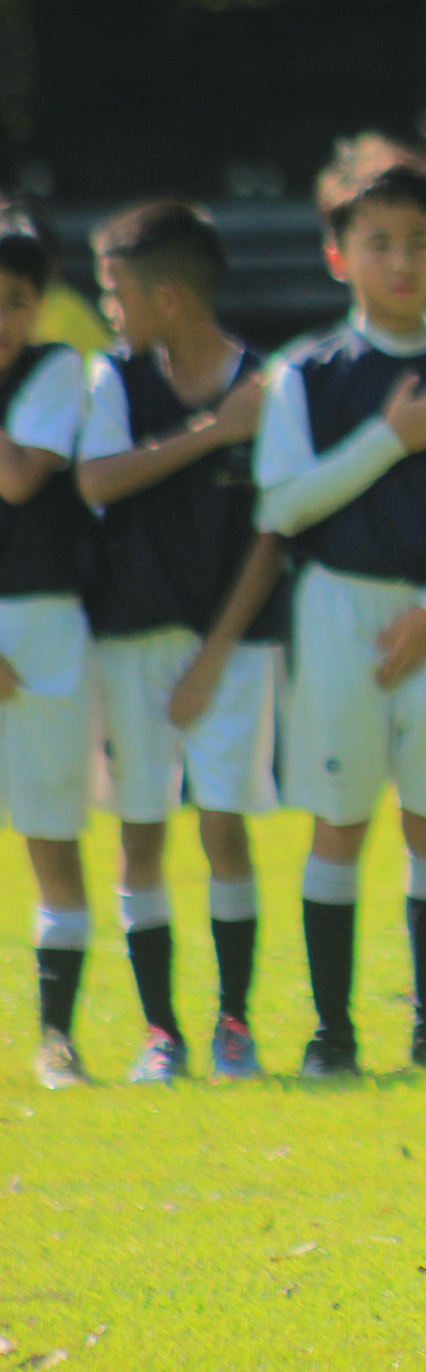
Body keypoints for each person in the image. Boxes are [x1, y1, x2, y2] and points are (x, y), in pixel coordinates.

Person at [256, 146, 426, 1078]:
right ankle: (331, 1035)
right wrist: (391, 437)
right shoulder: (306, 373)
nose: (401, 260)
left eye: (419, 241)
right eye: (378, 242)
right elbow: (284, 505)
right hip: (338, 612)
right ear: (339, 254)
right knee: (339, 820)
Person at [77, 203, 288, 1083]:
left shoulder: (268, 385)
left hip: (233, 648)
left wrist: (213, 654)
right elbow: (97, 479)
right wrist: (212, 432)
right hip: (130, 639)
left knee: (225, 830)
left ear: (166, 297)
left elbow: (275, 532)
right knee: (141, 835)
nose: (108, 309)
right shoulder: (111, 380)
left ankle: (234, 1023)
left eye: (115, 292)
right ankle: (160, 1032)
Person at [0, 212, 99, 1089]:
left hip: (40, 627)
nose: (2, 317)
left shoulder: (57, 369)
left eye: (15, 300)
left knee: (51, 838)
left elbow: (19, 476)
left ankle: (56, 1036)